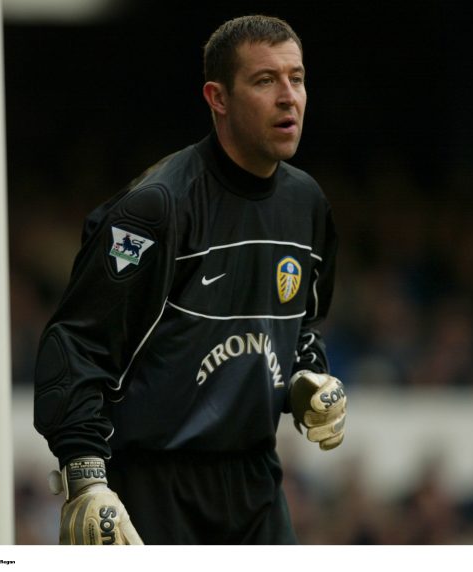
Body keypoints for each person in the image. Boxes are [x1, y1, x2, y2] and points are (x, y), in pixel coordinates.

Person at [34, 14, 347, 545]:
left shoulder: (307, 203)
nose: (288, 97)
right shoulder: (157, 208)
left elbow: (304, 324)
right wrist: (85, 477)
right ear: (217, 97)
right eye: (265, 80)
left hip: (255, 481)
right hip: (152, 484)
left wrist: (306, 378)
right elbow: (77, 344)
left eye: (296, 78)